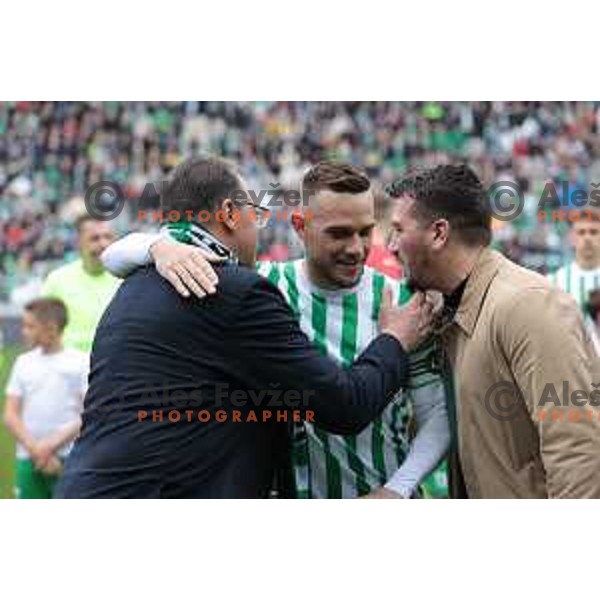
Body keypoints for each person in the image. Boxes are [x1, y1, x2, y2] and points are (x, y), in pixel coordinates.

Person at [56, 156, 434, 499]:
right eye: (253, 211)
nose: (356, 247)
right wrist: (394, 339)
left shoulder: (133, 286)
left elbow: (436, 408)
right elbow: (344, 405)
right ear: (229, 215)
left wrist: (154, 247)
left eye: (366, 231)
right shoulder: (244, 289)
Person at [385, 163, 600, 498]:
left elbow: (577, 452)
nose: (391, 246)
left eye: (399, 230)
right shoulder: (448, 312)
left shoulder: (528, 306)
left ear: (439, 233)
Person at [3, 299, 87, 499]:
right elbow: (10, 414)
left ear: (51, 328)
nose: (24, 331)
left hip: (69, 458)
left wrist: (50, 446)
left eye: (30, 326)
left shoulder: (80, 362)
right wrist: (36, 450)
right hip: (28, 458)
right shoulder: (23, 363)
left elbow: (89, 412)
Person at [41, 216, 120, 353]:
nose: (103, 244)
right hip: (69, 367)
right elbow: (41, 325)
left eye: (108, 237)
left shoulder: (126, 279)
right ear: (79, 243)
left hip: (113, 363)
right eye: (94, 238)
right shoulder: (57, 280)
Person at [547, 216, 600, 308]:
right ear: (571, 238)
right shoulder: (554, 281)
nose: (587, 237)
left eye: (593, 232)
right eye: (581, 232)